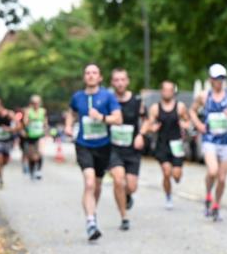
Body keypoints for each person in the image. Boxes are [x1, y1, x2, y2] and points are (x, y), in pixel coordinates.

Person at [65, 63, 122, 241]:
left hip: (103, 146)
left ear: (100, 77)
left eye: (94, 73)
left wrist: (101, 117)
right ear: (84, 77)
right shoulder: (77, 97)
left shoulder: (107, 96)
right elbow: (71, 112)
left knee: (97, 185)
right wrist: (68, 126)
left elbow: (118, 119)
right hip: (83, 144)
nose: (90, 75)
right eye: (87, 73)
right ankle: (90, 222)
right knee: (89, 183)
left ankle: (92, 213)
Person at [189, 64, 227, 221]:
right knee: (212, 171)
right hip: (210, 140)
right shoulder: (204, 96)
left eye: (222, 78)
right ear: (210, 80)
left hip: (226, 141)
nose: (219, 82)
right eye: (216, 79)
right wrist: (198, 124)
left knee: (222, 178)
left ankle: (216, 205)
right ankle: (208, 193)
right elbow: (192, 111)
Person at [143, 80, 190, 210]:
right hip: (162, 144)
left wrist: (185, 125)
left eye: (170, 90)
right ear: (161, 91)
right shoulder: (155, 108)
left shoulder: (180, 107)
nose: (167, 92)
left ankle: (177, 177)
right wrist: (152, 128)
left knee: (176, 175)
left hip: (177, 144)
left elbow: (188, 121)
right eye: (165, 90)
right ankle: (168, 196)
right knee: (166, 172)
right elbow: (149, 125)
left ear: (173, 92)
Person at [108, 69, 145, 230]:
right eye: (116, 80)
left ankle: (127, 195)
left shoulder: (137, 100)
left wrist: (141, 135)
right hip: (113, 148)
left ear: (127, 81)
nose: (120, 83)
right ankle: (124, 217)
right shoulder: (108, 100)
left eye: (122, 79)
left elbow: (146, 120)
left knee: (131, 186)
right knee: (118, 180)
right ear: (112, 82)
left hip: (132, 149)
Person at [0, 99, 19, 189]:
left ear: (1, 105)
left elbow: (19, 125)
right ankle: (0, 179)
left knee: (5, 161)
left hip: (8, 141)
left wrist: (9, 129)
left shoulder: (10, 113)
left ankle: (0, 167)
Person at [23, 95, 47, 180]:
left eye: (37, 102)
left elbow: (45, 122)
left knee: (40, 152)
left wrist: (45, 129)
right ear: (31, 103)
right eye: (34, 103)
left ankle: (39, 170)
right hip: (30, 136)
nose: (36, 104)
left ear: (40, 103)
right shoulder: (28, 111)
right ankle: (32, 170)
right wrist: (31, 120)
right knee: (32, 156)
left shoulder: (43, 111)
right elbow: (25, 122)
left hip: (40, 135)